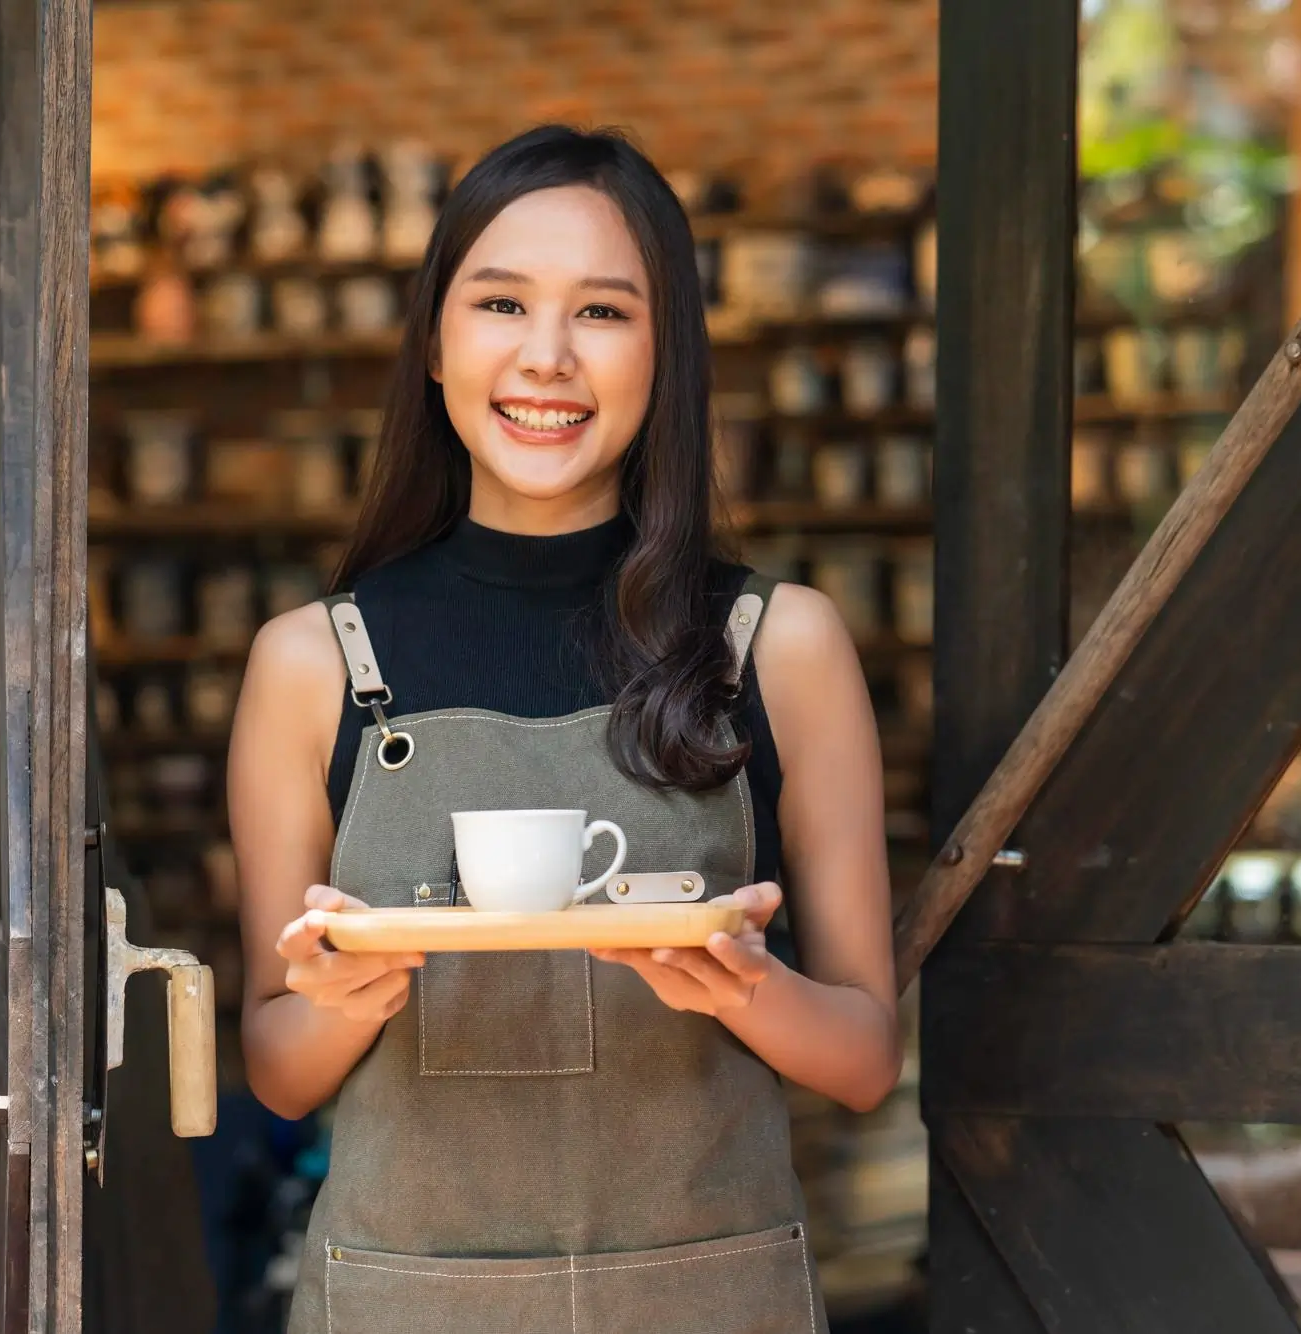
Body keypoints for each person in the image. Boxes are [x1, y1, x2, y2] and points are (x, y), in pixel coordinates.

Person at [229, 125, 900, 1334]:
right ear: (435, 344)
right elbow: (277, 1068)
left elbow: (861, 1057)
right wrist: (345, 995)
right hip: (406, 1300)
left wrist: (741, 988)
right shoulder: (312, 663)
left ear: (664, 358)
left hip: (705, 1297)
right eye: (498, 302)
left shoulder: (776, 642)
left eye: (602, 313)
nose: (545, 358)